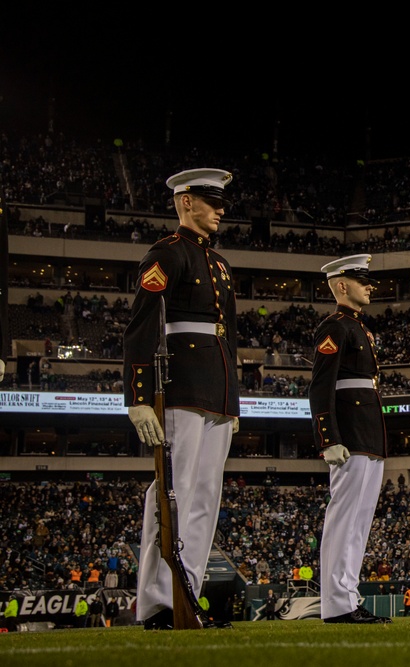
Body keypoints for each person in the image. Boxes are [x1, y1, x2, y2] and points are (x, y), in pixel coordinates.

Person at [124, 168, 240, 631]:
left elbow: (228, 335)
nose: (220, 210)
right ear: (185, 202)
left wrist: (233, 403)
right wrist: (136, 397)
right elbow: (141, 325)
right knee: (172, 492)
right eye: (211, 201)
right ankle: (156, 602)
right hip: (181, 388)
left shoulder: (220, 263)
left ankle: (184, 596)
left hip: (215, 389)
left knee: (205, 498)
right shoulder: (167, 254)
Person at [309, 255, 390, 625]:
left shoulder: (360, 327)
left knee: (359, 524)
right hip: (350, 433)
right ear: (342, 286)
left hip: (368, 433)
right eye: (362, 281)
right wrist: (328, 438)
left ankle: (347, 597)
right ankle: (337, 604)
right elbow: (321, 387)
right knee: (345, 520)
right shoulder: (335, 326)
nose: (370, 286)